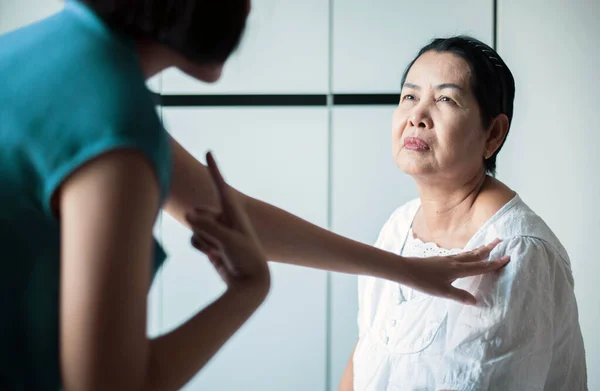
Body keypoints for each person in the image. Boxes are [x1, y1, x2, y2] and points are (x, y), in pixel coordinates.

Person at [0, 1, 509, 389]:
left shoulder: (47, 51)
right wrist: (248, 292)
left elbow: (232, 214)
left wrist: (406, 269)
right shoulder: (113, 120)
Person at [337, 35, 588, 391]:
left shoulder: (515, 252)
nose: (417, 117)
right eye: (409, 96)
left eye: (445, 99)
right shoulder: (398, 226)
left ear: (493, 134)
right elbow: (365, 355)